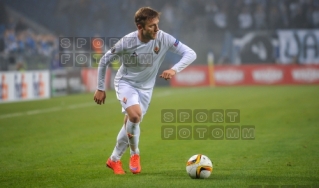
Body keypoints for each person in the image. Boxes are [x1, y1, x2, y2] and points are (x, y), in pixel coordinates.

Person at [93, 7, 196, 175]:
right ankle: (135, 154)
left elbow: (190, 53)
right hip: (126, 82)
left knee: (131, 124)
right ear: (140, 27)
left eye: (157, 24)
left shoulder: (163, 38)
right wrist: (100, 88)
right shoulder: (127, 42)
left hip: (146, 88)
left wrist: (175, 69)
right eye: (152, 26)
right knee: (135, 116)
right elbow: (104, 60)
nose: (157, 29)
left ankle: (113, 159)